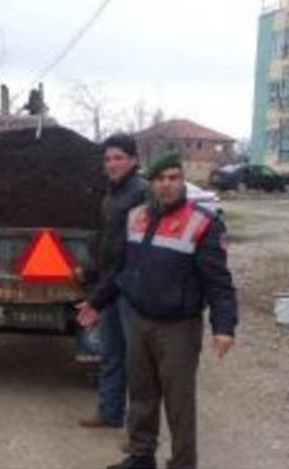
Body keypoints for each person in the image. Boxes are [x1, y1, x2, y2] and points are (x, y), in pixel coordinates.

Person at [77, 153, 238, 469]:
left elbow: (219, 282)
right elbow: (122, 270)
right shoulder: (137, 217)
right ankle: (141, 457)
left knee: (178, 402)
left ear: (183, 181)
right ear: (150, 183)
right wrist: (97, 301)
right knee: (141, 395)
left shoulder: (203, 223)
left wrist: (224, 326)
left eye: (174, 177)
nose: (167, 184)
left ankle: (182, 463)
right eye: (161, 178)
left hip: (178, 328)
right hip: (139, 320)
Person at [80, 133, 148, 429]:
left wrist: (105, 287)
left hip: (132, 285)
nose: (112, 163)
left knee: (137, 357)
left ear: (133, 160)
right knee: (110, 352)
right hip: (110, 283)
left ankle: (139, 420)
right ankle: (109, 411)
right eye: (108, 158)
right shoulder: (111, 193)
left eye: (118, 157)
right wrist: (93, 273)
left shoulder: (142, 192)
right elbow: (107, 239)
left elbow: (133, 248)